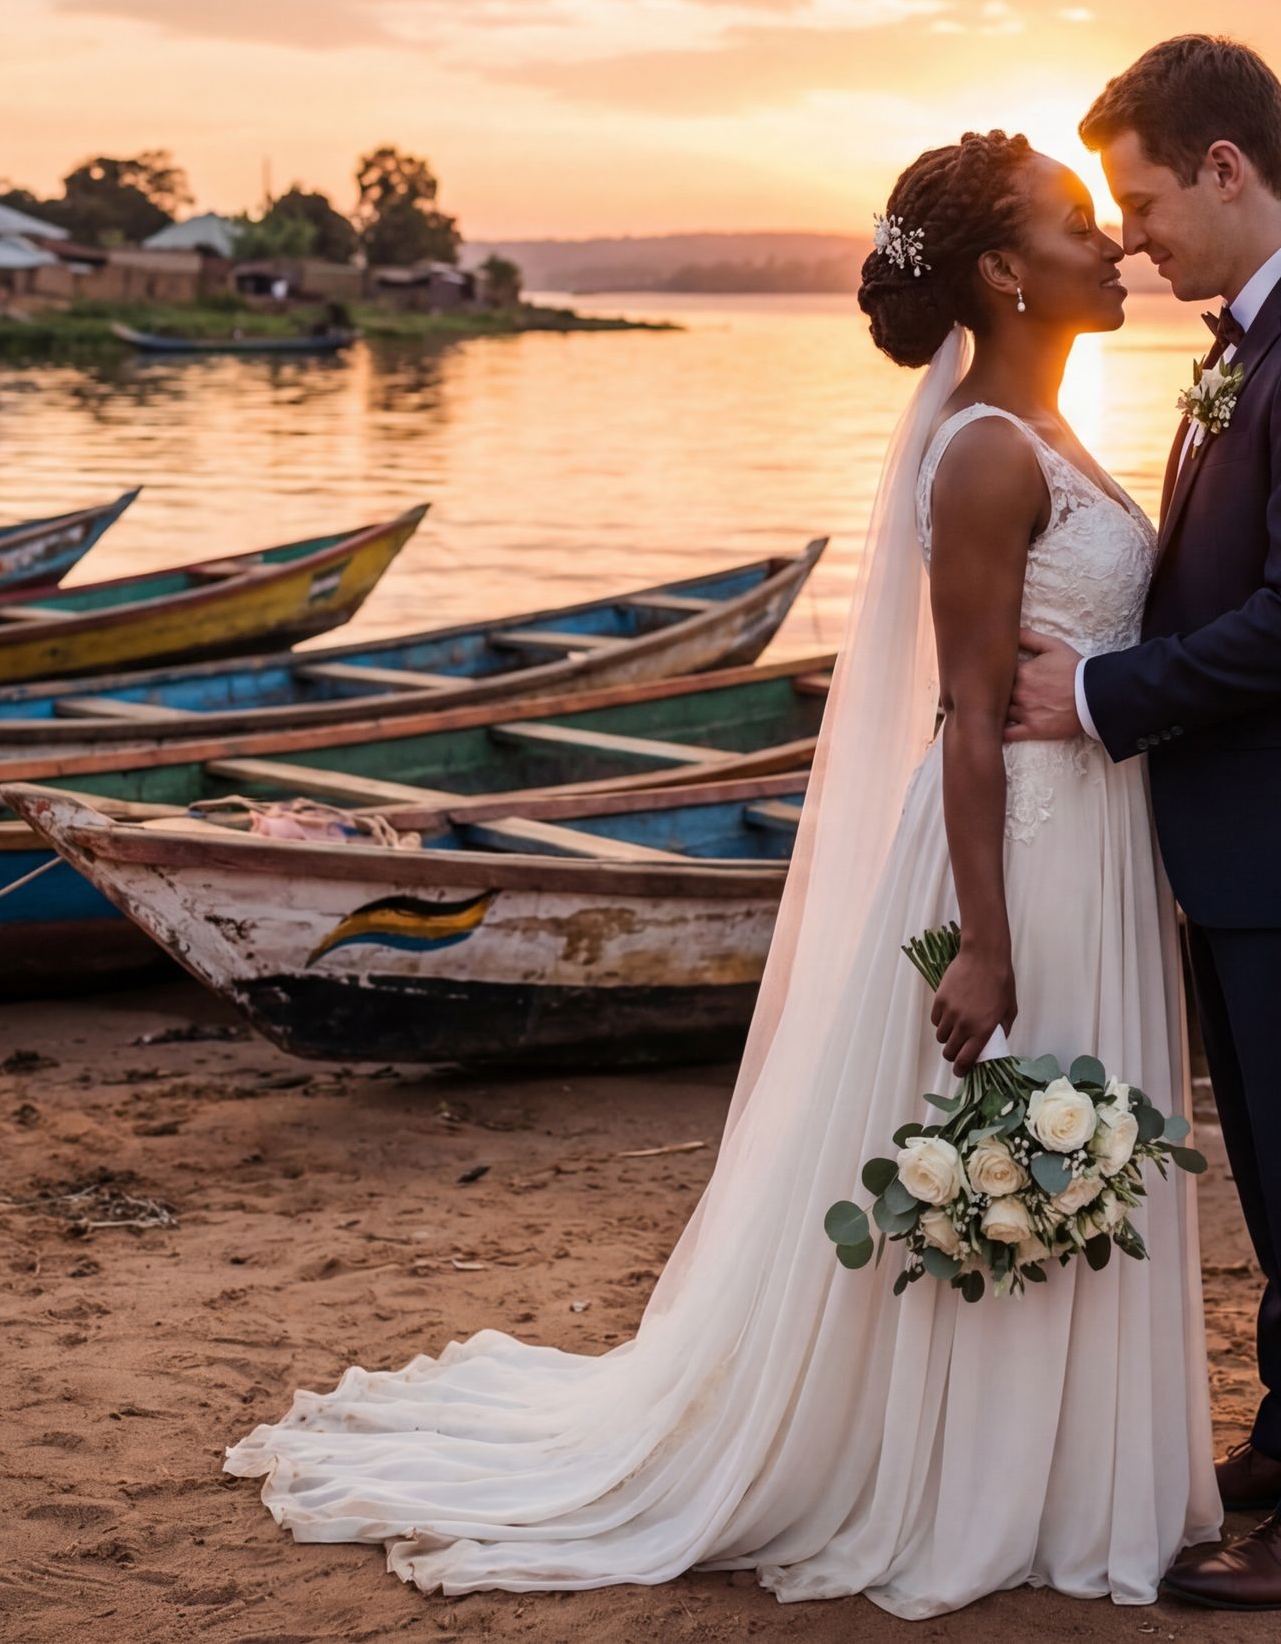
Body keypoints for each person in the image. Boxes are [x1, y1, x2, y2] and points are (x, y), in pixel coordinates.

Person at [222, 130, 1219, 1615]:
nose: (1113, 247)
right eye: (1080, 226)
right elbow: (961, 724)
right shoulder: (992, 453)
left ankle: (1056, 1463)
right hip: (1019, 856)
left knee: (1071, 1140)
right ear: (1006, 274)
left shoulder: (1056, 431)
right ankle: (972, 1472)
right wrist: (985, 947)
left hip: (1095, 841)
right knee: (1015, 1128)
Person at [1005, 35, 1281, 1610]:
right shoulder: (1258, 336)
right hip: (1256, 836)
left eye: (1142, 198)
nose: (1131, 233)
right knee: (1272, 1161)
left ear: (1224, 167)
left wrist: (1106, 695)